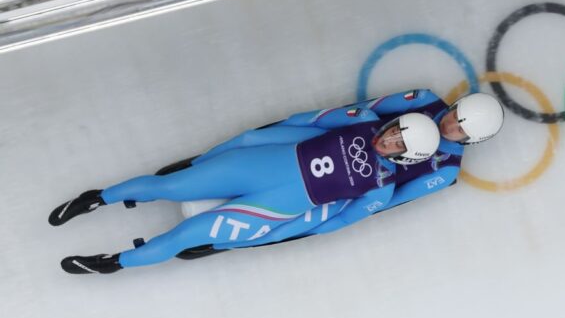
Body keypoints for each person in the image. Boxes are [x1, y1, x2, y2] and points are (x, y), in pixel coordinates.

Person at [49, 106, 441, 274]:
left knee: (184, 237)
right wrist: (232, 147)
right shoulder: (363, 119)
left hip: (272, 207)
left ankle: (113, 262)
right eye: (394, 131)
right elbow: (303, 125)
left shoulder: (381, 190)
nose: (388, 139)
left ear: (405, 158)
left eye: (397, 144)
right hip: (262, 164)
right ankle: (96, 198)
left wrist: (272, 236)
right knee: (169, 185)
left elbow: (327, 223)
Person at [173, 89, 505, 260]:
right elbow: (367, 109)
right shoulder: (425, 99)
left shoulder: (445, 171)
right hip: (337, 148)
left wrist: (363, 196)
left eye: (459, 129)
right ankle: (201, 168)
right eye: (455, 115)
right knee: (253, 141)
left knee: (286, 230)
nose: (450, 124)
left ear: (470, 140)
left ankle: (221, 240)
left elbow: (394, 200)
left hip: (352, 187)